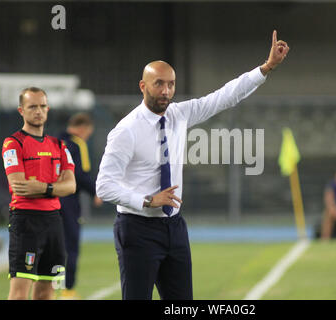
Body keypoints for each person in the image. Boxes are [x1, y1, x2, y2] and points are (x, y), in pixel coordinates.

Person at [96, 30, 289, 300]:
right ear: (143, 86)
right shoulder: (126, 131)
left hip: (174, 227)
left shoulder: (178, 114)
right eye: (159, 84)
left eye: (171, 84)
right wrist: (147, 200)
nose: (166, 91)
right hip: (136, 228)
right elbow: (104, 186)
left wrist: (266, 68)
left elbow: (224, 96)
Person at [2, 87, 76, 300]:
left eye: (42, 106)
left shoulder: (59, 145)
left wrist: (43, 188)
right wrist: (55, 186)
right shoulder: (13, 144)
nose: (38, 111)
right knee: (19, 295)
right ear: (21, 111)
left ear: (48, 109)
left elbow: (70, 186)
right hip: (26, 223)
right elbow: (19, 186)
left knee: (46, 292)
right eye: (32, 106)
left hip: (54, 222)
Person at [58, 113, 103, 299]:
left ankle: (48, 288)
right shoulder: (78, 144)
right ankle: (68, 290)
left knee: (52, 247)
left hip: (48, 199)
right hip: (68, 201)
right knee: (71, 246)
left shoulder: (54, 141)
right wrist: (96, 192)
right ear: (83, 128)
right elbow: (79, 175)